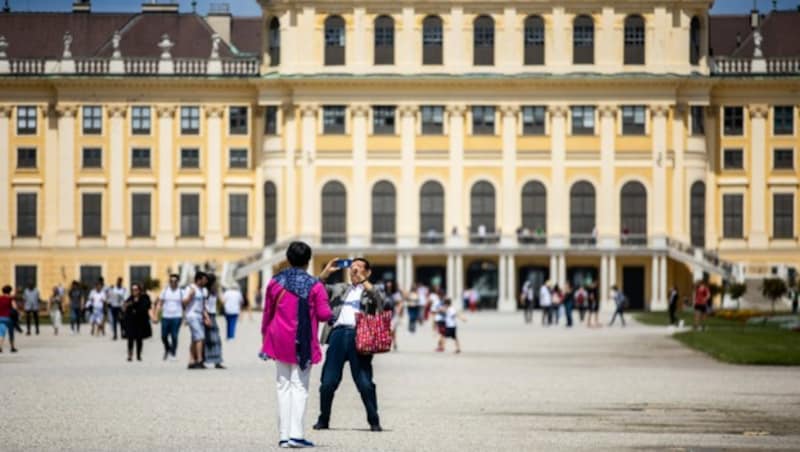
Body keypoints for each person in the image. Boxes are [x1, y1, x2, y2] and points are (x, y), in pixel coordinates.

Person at [261, 241, 332, 448]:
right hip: (302, 341)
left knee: (282, 386)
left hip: (278, 338)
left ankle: (284, 436)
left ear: (288, 259)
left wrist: (265, 339)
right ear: (308, 261)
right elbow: (323, 314)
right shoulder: (315, 285)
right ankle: (296, 434)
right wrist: (333, 314)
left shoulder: (275, 282)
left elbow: (267, 313)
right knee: (299, 386)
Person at [313, 257, 393, 433]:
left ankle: (374, 420)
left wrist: (363, 281)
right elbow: (317, 289)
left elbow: (383, 302)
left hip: (361, 335)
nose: (354, 270)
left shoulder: (371, 290)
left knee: (364, 382)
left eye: (359, 267)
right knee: (328, 381)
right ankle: (323, 419)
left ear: (368, 272)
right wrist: (325, 272)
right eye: (352, 267)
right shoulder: (341, 288)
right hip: (338, 334)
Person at [152, 274, 184, 361]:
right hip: (165, 316)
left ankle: (173, 353)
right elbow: (159, 304)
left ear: (178, 282)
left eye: (175, 281)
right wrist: (155, 315)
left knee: (174, 335)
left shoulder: (181, 292)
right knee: (163, 336)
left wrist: (185, 318)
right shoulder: (165, 291)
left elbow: (184, 305)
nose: (173, 283)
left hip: (177, 316)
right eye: (171, 281)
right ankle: (167, 348)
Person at [182, 272, 209, 369]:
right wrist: (190, 296)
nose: (206, 281)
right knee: (200, 337)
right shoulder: (190, 288)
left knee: (195, 339)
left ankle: (191, 360)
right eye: (204, 279)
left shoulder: (203, 290)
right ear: (198, 279)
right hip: (192, 315)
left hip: (199, 315)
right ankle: (199, 360)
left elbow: (203, 306)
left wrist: (207, 317)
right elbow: (184, 302)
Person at [122, 282, 152, 362]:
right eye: (133, 290)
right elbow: (124, 306)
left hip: (140, 321)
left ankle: (138, 355)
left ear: (139, 290)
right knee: (130, 338)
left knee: (139, 339)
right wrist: (128, 304)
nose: (134, 291)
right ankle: (130, 355)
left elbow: (146, 307)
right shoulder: (130, 298)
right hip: (131, 321)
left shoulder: (144, 297)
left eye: (136, 289)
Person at [202, 274, 225, 369]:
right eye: (215, 281)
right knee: (210, 339)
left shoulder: (214, 291)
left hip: (213, 315)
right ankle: (208, 359)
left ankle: (217, 360)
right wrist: (206, 317)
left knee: (216, 339)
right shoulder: (206, 292)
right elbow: (203, 305)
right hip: (207, 315)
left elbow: (222, 301)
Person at [384, 280, 403, 352]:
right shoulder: (383, 293)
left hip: (393, 314)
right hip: (385, 314)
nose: (389, 286)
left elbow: (400, 303)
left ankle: (391, 342)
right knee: (388, 330)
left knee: (392, 330)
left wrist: (399, 311)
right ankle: (392, 342)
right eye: (388, 285)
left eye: (390, 285)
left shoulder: (396, 294)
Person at [0, 285, 19, 353]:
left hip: (0, 317)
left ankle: (0, 346)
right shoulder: (10, 299)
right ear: (10, 291)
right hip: (8, 318)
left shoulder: (0, 298)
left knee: (1, 332)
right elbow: (15, 307)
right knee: (11, 333)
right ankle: (12, 347)